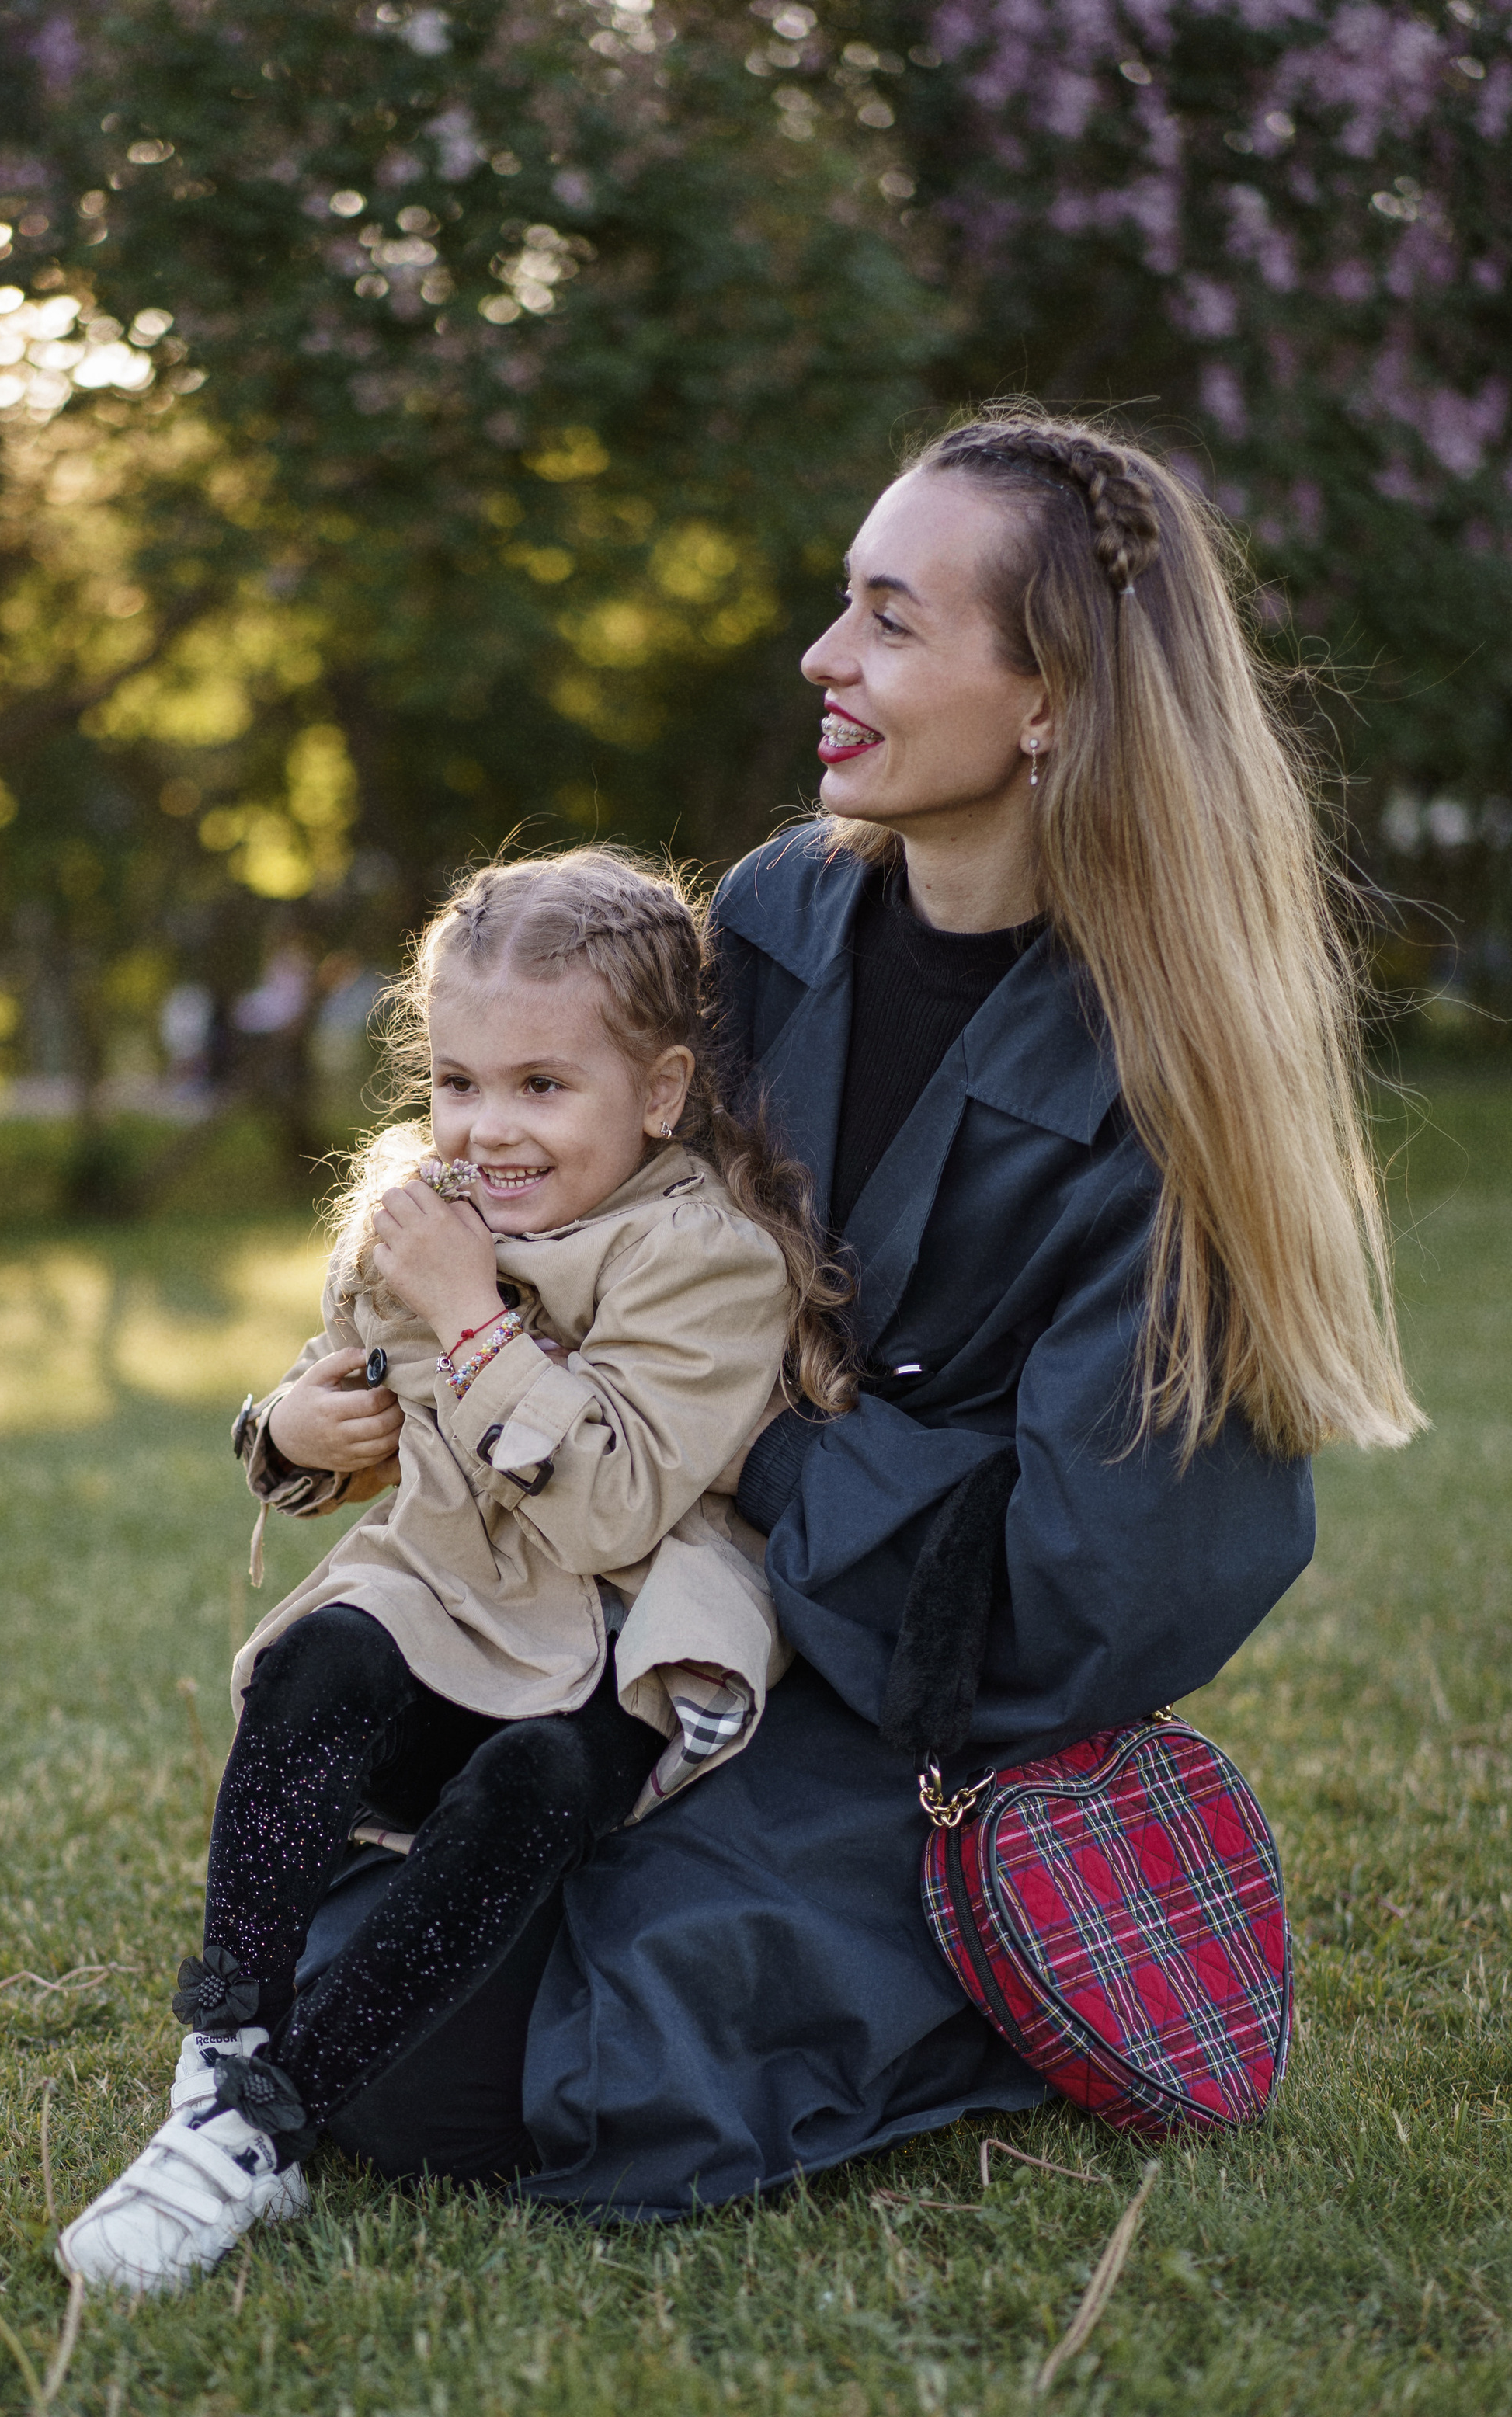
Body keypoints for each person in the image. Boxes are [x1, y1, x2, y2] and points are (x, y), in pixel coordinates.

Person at [280, 406, 1423, 2217]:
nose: (823, 658)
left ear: (1047, 702)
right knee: (330, 1971)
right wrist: (396, 1374)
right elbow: (599, 1235)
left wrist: (742, 1450)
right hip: (653, 1609)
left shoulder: (1168, 1086)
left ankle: (1003, 1970)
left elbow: (1092, 1589)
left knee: (529, 2075)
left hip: (916, 1706)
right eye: (842, 604)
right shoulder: (768, 923)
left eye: (889, 620)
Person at [58, 850, 855, 2287]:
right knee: (324, 1653)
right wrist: (290, 1427)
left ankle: (270, 2126)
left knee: (537, 1784)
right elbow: (341, 1399)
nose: (489, 1129)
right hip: (454, 1595)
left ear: (661, 1092)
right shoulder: (428, 1218)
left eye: (543, 1088)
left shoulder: (707, 1258)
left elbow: (610, 1508)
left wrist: (472, 1319)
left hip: (622, 1627)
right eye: (459, 1083)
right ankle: (224, 2046)